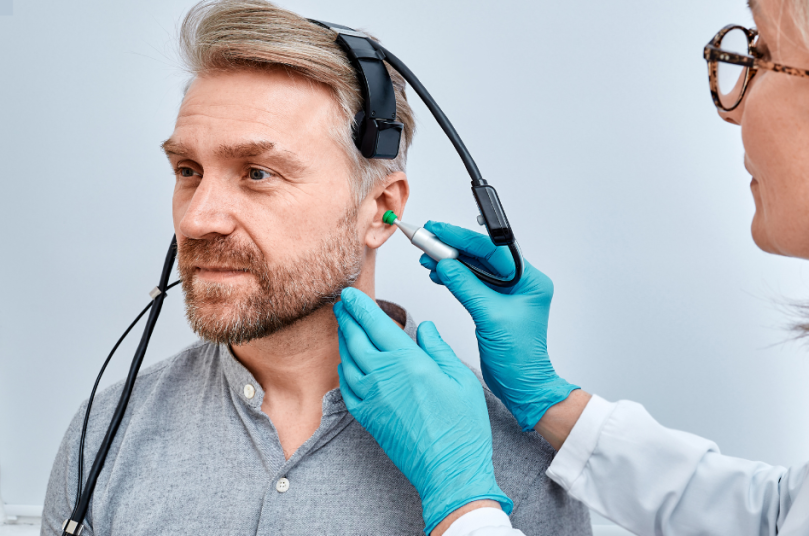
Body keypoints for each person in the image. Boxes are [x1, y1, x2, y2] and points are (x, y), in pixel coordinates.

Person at [331, 0, 809, 535]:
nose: (734, 108)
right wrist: (553, 403)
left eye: (765, 56)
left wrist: (463, 499)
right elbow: (786, 517)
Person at [40, 1, 593, 534]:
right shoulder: (108, 432)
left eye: (257, 173)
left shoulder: (513, 456)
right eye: (188, 170)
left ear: (380, 210)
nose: (197, 219)